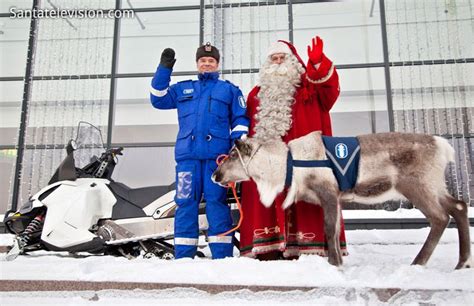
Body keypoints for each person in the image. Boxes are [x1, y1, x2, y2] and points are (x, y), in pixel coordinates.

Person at [240, 36, 348, 260]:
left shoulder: (310, 88)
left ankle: (310, 246)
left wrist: (319, 64)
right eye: (274, 58)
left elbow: (329, 90)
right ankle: (271, 247)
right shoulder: (255, 96)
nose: (278, 62)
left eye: (283, 58)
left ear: (294, 62)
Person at [150, 42, 249, 259]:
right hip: (188, 160)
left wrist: (237, 143)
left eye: (211, 61)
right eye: (203, 61)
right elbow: (158, 99)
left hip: (217, 161)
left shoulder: (229, 90)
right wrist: (164, 68)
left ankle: (222, 255)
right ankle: (184, 255)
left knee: (216, 203)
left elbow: (241, 118)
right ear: (197, 64)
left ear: (217, 64)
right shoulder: (184, 89)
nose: (206, 64)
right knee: (185, 203)